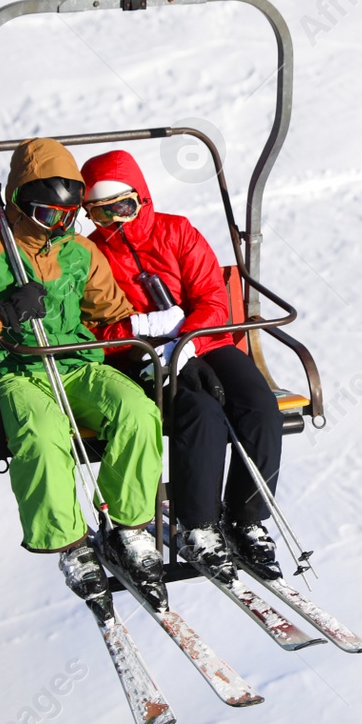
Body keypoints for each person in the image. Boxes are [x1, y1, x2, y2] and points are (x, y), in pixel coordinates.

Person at [0, 138, 174, 609]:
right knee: (41, 430)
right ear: (18, 203)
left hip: (76, 363)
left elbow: (108, 308)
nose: (61, 224)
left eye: (70, 214)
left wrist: (149, 317)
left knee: (137, 408)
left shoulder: (79, 253)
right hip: (13, 368)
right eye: (48, 215)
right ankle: (71, 545)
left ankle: (131, 527)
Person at [80, 149, 286, 581]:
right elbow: (91, 332)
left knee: (258, 407)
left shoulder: (177, 233)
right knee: (201, 412)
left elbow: (212, 296)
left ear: (142, 198)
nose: (117, 220)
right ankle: (199, 526)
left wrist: (188, 338)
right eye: (102, 214)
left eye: (124, 207)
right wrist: (142, 329)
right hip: (141, 356)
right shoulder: (90, 257)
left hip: (206, 341)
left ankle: (247, 518)